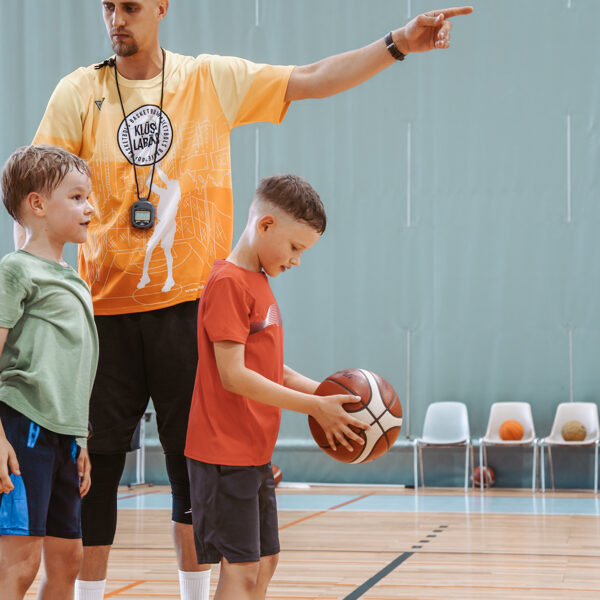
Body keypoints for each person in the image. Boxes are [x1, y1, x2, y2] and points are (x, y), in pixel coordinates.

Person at [23, 2, 474, 599]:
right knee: (97, 473)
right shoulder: (78, 91)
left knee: (193, 473)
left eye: (129, 6)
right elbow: (37, 194)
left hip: (189, 309)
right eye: (107, 6)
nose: (115, 18)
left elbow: (311, 79)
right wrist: (37, 290)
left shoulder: (210, 79)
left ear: (161, 7)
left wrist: (397, 44)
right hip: (101, 313)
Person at [186, 174, 366, 600]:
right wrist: (311, 407)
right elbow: (234, 374)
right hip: (222, 454)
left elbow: (272, 370)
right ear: (265, 225)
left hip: (253, 454)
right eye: (295, 247)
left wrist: (327, 396)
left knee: (265, 564)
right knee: (242, 571)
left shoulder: (259, 281)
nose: (297, 260)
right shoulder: (229, 283)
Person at [0, 145, 98, 600]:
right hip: (23, 430)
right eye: (77, 197)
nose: (90, 208)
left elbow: (71, 368)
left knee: (68, 560)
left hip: (63, 438)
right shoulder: (16, 271)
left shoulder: (73, 277)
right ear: (37, 204)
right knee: (19, 564)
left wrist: (79, 438)